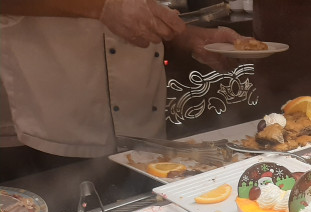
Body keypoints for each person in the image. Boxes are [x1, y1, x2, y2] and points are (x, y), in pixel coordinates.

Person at [0, 0, 249, 158]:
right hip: (52, 126)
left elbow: (138, 10)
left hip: (144, 124)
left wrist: (187, 36)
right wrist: (103, 7)